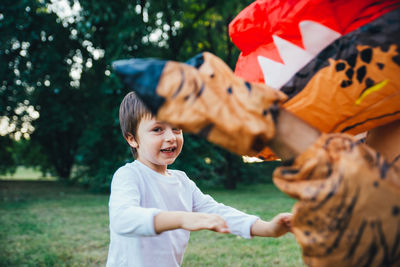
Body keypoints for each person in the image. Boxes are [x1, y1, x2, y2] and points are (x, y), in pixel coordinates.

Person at [106, 91, 292, 267]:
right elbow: (122, 219)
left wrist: (269, 229)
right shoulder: (130, 175)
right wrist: (181, 219)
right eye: (157, 129)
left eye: (177, 128)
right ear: (132, 139)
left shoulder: (182, 181)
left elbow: (219, 213)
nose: (171, 137)